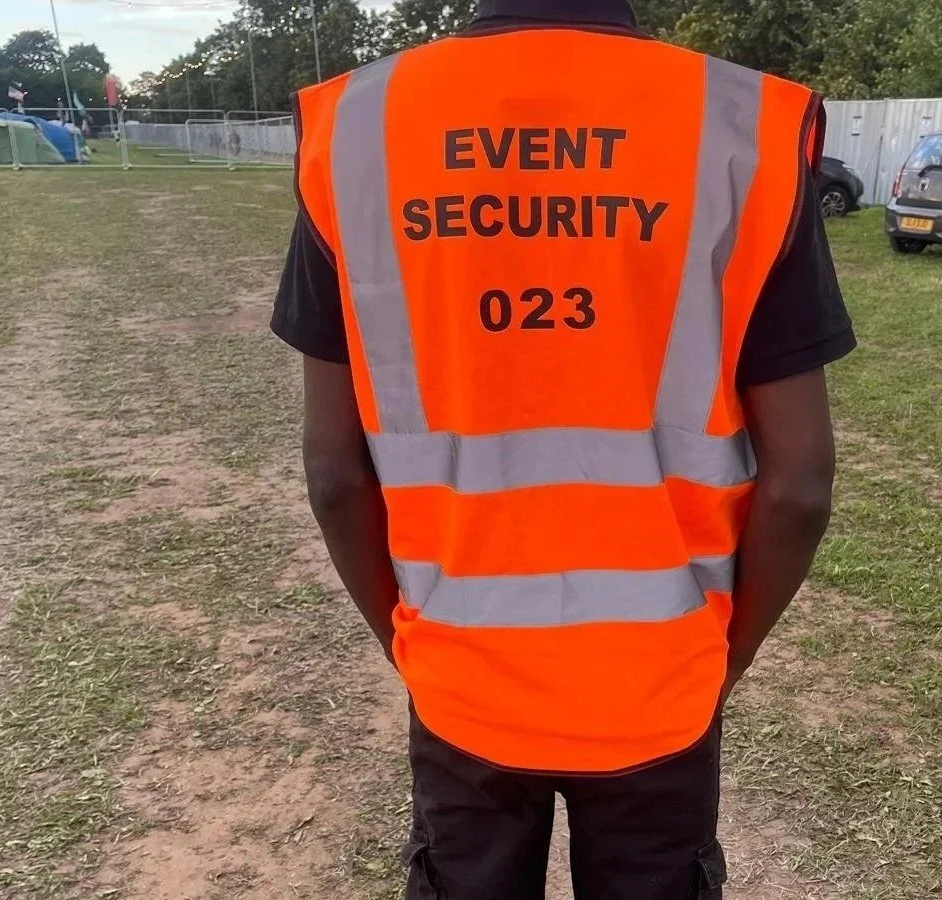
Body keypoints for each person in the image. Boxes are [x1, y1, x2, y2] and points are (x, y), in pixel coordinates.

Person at [271, 1, 856, 897]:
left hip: (462, 679)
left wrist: (420, 651)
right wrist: (716, 664)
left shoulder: (354, 126)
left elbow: (332, 474)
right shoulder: (744, 123)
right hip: (660, 687)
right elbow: (800, 487)